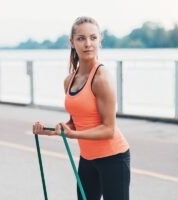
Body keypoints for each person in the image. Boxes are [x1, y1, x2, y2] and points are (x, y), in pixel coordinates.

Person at [32, 16, 130, 200]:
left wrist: (72, 135)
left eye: (93, 38)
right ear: (72, 42)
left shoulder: (101, 78)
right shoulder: (69, 80)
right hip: (88, 158)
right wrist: (53, 130)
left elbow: (108, 129)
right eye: (81, 38)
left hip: (113, 158)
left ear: (100, 40)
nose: (88, 44)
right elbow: (76, 122)